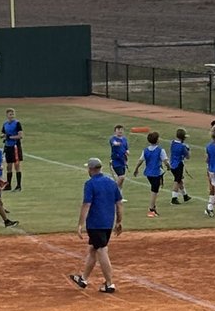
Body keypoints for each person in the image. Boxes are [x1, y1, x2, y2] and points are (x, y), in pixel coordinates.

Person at [70, 157, 123, 293]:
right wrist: (119, 221)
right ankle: (83, 278)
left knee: (101, 250)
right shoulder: (112, 183)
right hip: (107, 223)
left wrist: (80, 224)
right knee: (93, 249)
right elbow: (119, 203)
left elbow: (86, 204)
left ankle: (109, 283)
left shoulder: (90, 184)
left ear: (91, 169)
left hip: (95, 223)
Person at [133, 131, 169, 218]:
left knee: (155, 188)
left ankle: (153, 207)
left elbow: (140, 161)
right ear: (157, 140)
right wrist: (169, 167)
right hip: (156, 173)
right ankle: (151, 209)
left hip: (148, 173)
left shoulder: (145, 150)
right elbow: (165, 161)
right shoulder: (160, 150)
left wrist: (136, 169)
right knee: (154, 191)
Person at [0, 108, 24, 191]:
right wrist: (3, 136)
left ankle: (18, 185)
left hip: (15, 147)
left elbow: (20, 136)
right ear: (7, 115)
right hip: (8, 147)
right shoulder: (5, 124)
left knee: (17, 166)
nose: (12, 116)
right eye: (10, 114)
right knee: (8, 166)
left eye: (13, 114)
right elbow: (3, 133)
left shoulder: (17, 123)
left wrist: (10, 137)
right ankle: (8, 185)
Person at [169, 128, 191, 204]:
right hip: (178, 165)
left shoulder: (172, 143)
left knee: (180, 180)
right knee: (177, 180)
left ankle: (185, 195)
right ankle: (174, 198)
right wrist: (187, 149)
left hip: (172, 164)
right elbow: (188, 157)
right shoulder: (182, 147)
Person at [108, 124, 129, 197]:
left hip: (122, 161)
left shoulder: (125, 139)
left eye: (121, 129)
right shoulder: (113, 138)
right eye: (118, 129)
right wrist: (117, 143)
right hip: (115, 161)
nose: (120, 131)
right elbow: (114, 143)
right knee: (121, 177)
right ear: (115, 131)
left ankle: (119, 196)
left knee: (121, 180)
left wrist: (127, 152)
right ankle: (112, 191)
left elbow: (126, 148)